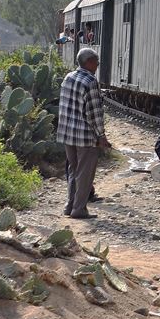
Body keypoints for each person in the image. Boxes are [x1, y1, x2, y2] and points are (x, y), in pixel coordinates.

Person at [57, 47, 110, 219]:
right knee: (85, 174)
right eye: (96, 61)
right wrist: (101, 136)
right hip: (85, 137)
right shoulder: (90, 81)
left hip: (67, 134)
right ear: (88, 62)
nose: (98, 64)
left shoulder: (69, 77)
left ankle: (69, 205)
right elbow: (94, 114)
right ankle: (79, 209)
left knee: (73, 170)